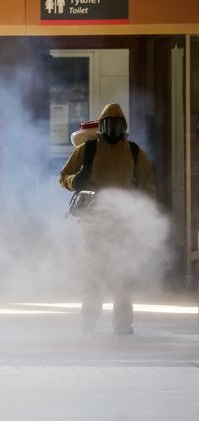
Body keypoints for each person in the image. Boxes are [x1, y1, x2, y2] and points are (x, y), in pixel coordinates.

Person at [59, 103, 156, 335]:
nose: (113, 129)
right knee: (93, 273)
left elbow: (147, 185)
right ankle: (88, 320)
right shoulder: (87, 150)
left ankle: (122, 324)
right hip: (93, 223)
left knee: (123, 274)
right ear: (102, 126)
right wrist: (75, 181)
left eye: (117, 124)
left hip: (124, 224)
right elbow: (63, 176)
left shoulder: (134, 152)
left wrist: (144, 212)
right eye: (109, 124)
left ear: (124, 126)